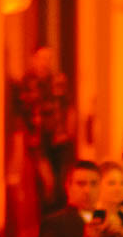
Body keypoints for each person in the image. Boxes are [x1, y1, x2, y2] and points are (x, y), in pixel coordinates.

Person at [11, 46, 76, 212]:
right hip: (39, 141)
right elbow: (22, 113)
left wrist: (69, 131)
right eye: (42, 58)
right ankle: (47, 218)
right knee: (46, 182)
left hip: (60, 140)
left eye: (49, 58)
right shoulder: (27, 83)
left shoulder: (59, 80)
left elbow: (68, 107)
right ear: (34, 59)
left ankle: (60, 214)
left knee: (62, 181)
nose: (45, 63)